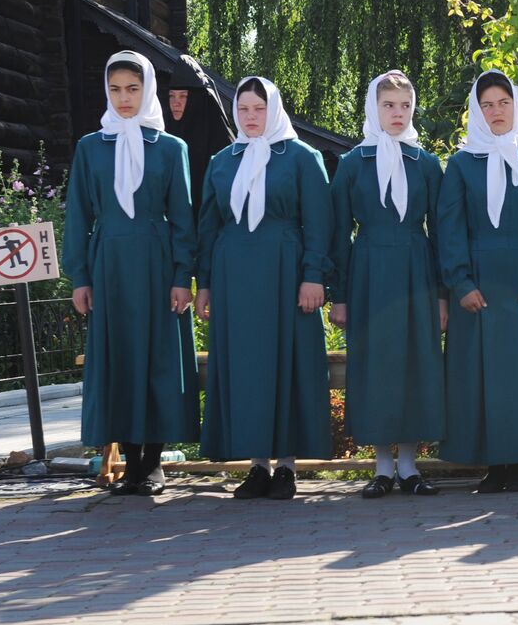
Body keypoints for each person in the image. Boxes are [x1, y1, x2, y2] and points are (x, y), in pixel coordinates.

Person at [62, 51, 198, 496]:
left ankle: (152, 462)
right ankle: (128, 461)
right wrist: (80, 277)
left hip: (157, 264)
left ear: (148, 91)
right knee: (119, 355)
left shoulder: (170, 148)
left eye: (133, 89)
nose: (124, 98)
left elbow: (182, 218)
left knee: (157, 355)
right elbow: (78, 217)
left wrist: (183, 275)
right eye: (116, 89)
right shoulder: (90, 147)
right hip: (109, 265)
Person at [194, 77, 333, 501]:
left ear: (273, 109)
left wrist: (314, 275)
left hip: (286, 271)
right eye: (243, 110)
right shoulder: (222, 161)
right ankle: (256, 465)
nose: (251, 118)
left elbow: (320, 223)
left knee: (286, 360)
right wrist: (206, 284)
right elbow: (208, 226)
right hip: (234, 274)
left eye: (258, 109)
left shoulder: (302, 158)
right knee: (246, 365)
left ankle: (287, 467)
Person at [437, 70, 518, 492]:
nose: (496, 112)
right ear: (476, 112)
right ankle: (494, 465)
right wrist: (460, 283)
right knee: (482, 375)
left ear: (515, 106)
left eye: (503, 103)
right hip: (478, 283)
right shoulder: (460, 164)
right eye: (487, 105)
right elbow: (449, 228)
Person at [330, 71, 445, 499]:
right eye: (388, 105)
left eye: (405, 105)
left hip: (417, 266)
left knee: (416, 360)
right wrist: (339, 295)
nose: (397, 114)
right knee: (376, 362)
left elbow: (443, 233)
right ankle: (382, 467)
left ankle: (411, 467)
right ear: (373, 109)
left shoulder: (428, 164)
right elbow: (338, 233)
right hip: (370, 270)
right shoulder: (351, 163)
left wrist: (442, 293)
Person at [162, 54, 234, 222]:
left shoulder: (221, 142)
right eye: (172, 96)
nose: (175, 103)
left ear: (196, 99)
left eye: (183, 96)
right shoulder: (164, 135)